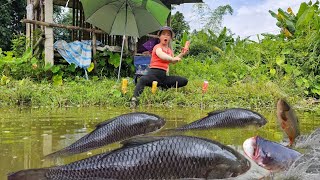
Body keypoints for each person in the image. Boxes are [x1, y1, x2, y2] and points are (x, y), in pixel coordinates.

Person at [131, 26, 189, 108]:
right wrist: (172, 58)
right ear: (160, 36)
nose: (166, 36)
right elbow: (162, 55)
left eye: (168, 35)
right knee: (143, 79)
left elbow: (173, 61)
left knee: (184, 81)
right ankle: (134, 99)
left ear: (170, 38)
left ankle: (163, 87)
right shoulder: (157, 47)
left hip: (163, 78)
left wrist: (182, 54)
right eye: (164, 34)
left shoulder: (169, 51)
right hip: (153, 76)